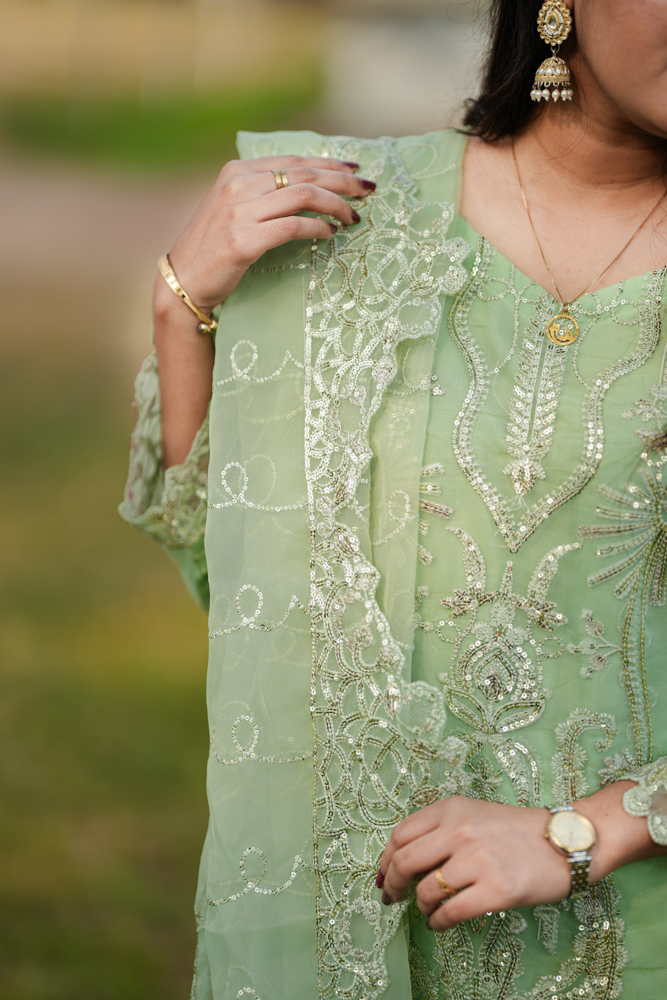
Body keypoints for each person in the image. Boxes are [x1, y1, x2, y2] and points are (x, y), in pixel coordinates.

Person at [120, 0, 667, 996]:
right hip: (369, 919)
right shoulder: (354, 219)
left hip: (636, 932)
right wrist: (181, 308)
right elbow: (238, 585)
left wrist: (590, 829)